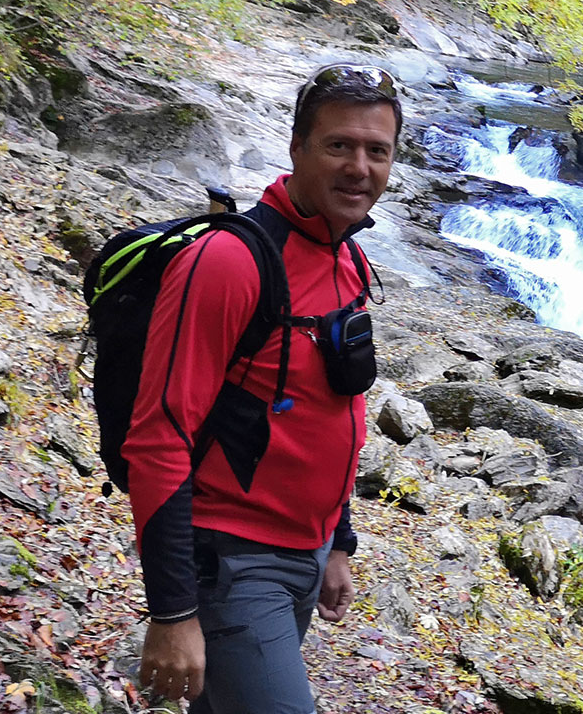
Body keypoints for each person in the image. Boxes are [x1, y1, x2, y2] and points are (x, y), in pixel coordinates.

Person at [124, 64, 401, 713]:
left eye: (376, 150)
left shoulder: (347, 257)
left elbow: (337, 407)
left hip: (304, 555)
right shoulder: (228, 263)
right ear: (297, 147)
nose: (359, 167)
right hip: (232, 563)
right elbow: (157, 436)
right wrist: (173, 611)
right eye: (339, 145)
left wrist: (338, 540)